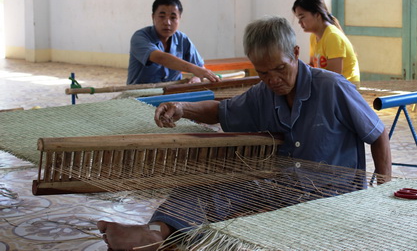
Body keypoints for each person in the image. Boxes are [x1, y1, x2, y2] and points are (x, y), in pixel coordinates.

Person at [98, 16, 391, 251]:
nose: (273, 80)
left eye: (279, 69)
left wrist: (381, 192)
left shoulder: (332, 87)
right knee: (206, 186)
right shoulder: (263, 94)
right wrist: (182, 107)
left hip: (332, 198)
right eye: (263, 73)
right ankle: (154, 233)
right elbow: (222, 110)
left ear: (296, 54)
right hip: (283, 189)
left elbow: (377, 135)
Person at [127, 0, 220, 84]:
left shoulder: (182, 39)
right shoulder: (140, 37)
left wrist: (197, 78)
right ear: (153, 17)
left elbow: (200, 68)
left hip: (173, 94)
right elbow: (160, 57)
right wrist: (193, 69)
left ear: (179, 18)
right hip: (141, 95)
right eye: (162, 16)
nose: (167, 22)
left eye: (173, 17)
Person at [292, 0, 360, 83]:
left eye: (302, 17)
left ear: (317, 14)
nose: (299, 22)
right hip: (329, 85)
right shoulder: (314, 36)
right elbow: (313, 65)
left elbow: (333, 78)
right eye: (298, 19)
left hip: (344, 89)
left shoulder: (332, 37)